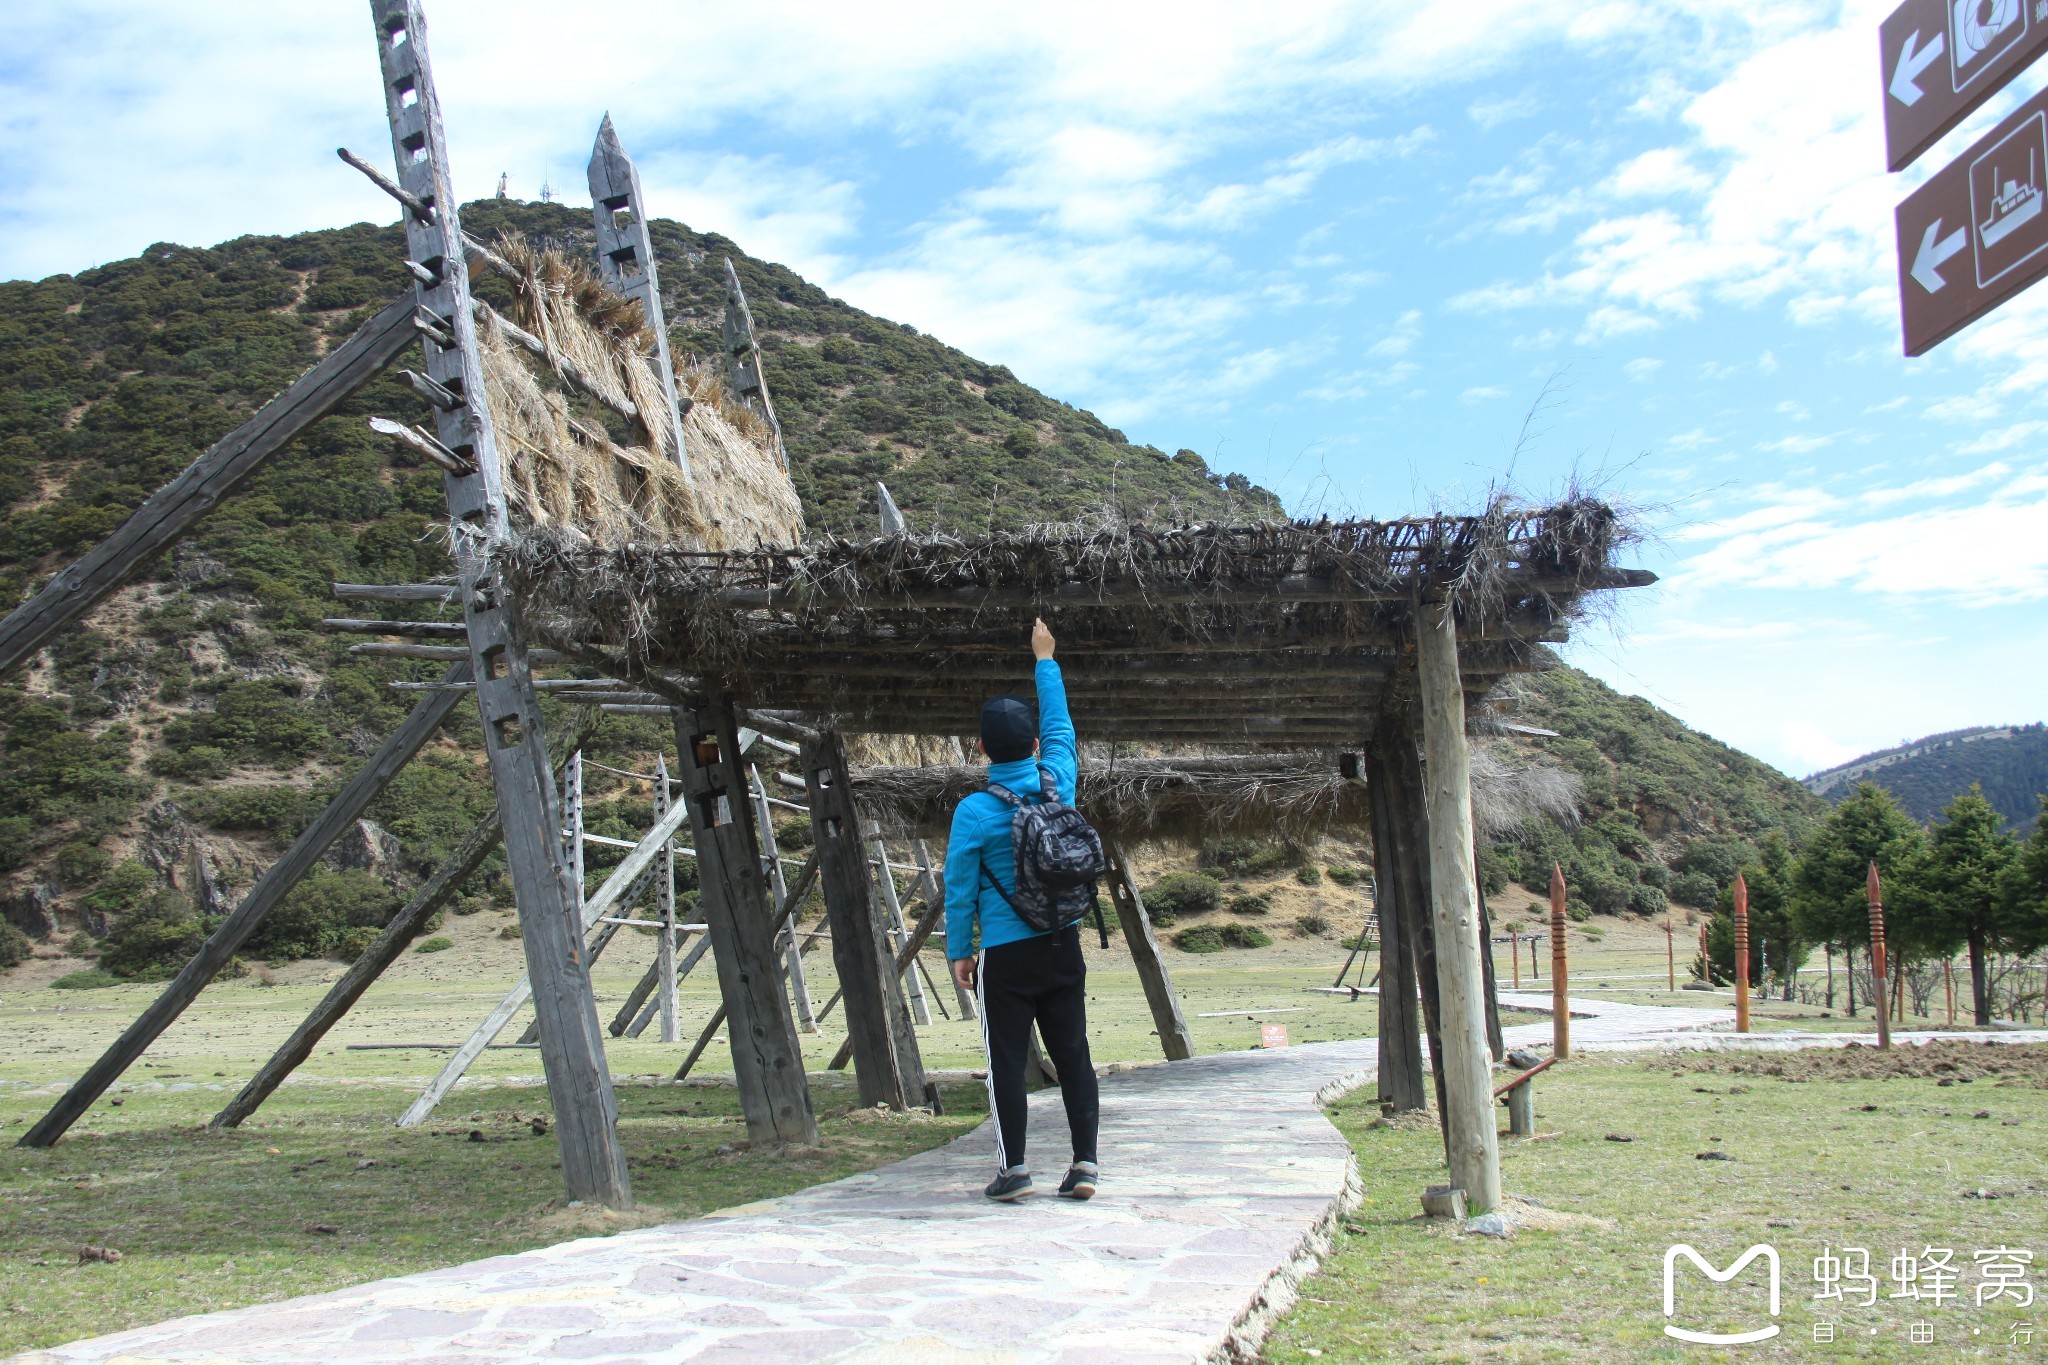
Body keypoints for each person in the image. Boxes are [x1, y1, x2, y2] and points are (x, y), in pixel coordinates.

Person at [946, 617, 1099, 1202]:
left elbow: (959, 890)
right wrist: (1045, 659)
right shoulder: (1058, 782)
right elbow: (1064, 728)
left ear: (980, 748)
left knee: (1006, 1061)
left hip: (1006, 956)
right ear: (1035, 745)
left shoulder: (974, 812)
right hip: (1064, 945)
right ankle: (1084, 1164)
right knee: (1075, 1057)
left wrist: (961, 952)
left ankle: (1014, 1171)